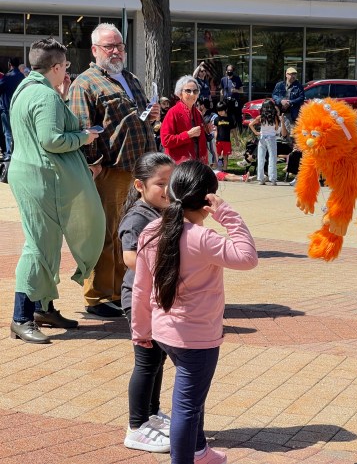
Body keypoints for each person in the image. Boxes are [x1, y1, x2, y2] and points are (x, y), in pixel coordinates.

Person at [131, 160, 258, 464]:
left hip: (164, 333)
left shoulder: (152, 229)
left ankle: (199, 450)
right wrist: (227, 213)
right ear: (207, 200)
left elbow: (140, 286)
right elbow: (248, 257)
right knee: (187, 406)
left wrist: (140, 331)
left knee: (192, 399)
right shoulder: (203, 238)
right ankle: (186, 457)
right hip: (198, 339)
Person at [8, 38, 105, 344]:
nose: (67, 71)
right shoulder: (45, 96)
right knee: (38, 247)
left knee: (46, 245)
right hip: (40, 179)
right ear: (56, 66)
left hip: (31, 175)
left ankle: (42, 309)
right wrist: (83, 137)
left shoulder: (24, 90)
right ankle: (21, 317)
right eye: (65, 66)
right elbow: (51, 140)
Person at [68, 23, 160, 318]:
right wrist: (93, 165)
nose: (116, 50)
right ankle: (97, 296)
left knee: (128, 233)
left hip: (139, 169)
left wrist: (152, 114)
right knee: (104, 234)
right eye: (109, 46)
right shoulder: (85, 83)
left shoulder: (130, 78)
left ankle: (121, 290)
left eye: (119, 45)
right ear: (95, 50)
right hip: (110, 170)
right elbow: (82, 127)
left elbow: (140, 114)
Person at [118, 152, 176, 452]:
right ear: (140, 186)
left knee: (158, 359)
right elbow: (129, 258)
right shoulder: (138, 216)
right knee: (146, 362)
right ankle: (136, 425)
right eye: (160, 183)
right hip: (139, 301)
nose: (167, 189)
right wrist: (164, 266)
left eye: (172, 181)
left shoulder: (165, 210)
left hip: (158, 299)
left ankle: (152, 415)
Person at [160, 75, 210, 165]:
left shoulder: (197, 113)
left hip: (197, 166)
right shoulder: (173, 112)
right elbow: (165, 141)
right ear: (180, 94)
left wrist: (207, 131)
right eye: (188, 91)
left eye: (195, 91)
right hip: (180, 167)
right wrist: (188, 135)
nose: (192, 94)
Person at [249, 99, 280, 185]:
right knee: (272, 158)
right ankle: (273, 179)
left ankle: (261, 178)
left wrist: (256, 132)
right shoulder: (275, 117)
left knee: (261, 157)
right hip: (272, 138)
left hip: (262, 138)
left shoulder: (260, 117)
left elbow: (250, 124)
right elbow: (276, 128)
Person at [0, 57, 25, 161]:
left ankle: (10, 154)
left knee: (8, 133)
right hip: (19, 108)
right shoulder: (22, 77)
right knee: (19, 132)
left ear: (9, 64)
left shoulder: (7, 77)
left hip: (6, 108)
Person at [219, 64, 243, 132]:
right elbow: (222, 90)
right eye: (228, 70)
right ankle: (228, 132)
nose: (229, 71)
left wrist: (236, 90)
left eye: (231, 70)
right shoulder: (223, 79)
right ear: (226, 71)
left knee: (238, 117)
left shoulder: (237, 78)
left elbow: (242, 91)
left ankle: (240, 132)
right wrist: (221, 101)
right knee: (227, 117)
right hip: (227, 101)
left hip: (235, 101)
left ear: (233, 71)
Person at [213, 100, 235, 170]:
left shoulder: (230, 119)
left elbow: (233, 130)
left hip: (227, 141)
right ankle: (218, 169)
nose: (220, 112)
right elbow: (216, 130)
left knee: (225, 156)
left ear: (226, 110)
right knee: (218, 155)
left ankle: (225, 169)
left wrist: (236, 139)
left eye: (222, 111)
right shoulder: (216, 119)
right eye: (218, 111)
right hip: (219, 141)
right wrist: (215, 138)